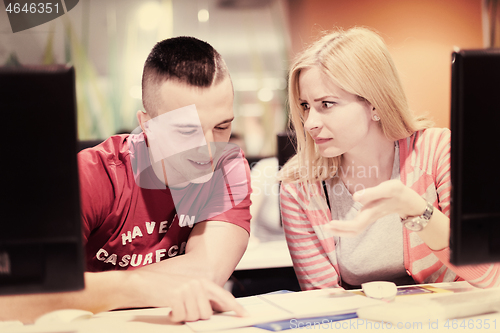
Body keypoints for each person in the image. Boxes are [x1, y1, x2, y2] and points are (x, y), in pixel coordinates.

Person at [0, 37, 251, 323]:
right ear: (147, 126)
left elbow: (205, 273)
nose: (209, 150)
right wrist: (132, 286)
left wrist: (94, 289)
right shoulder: (93, 175)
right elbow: (15, 297)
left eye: (222, 126)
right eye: (185, 131)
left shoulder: (228, 167)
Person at [278, 27, 500, 291]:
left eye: (326, 104)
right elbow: (323, 302)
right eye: (305, 106)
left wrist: (416, 209)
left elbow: (488, 275)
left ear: (374, 103)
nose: (310, 123)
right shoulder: (299, 186)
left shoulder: (438, 151)